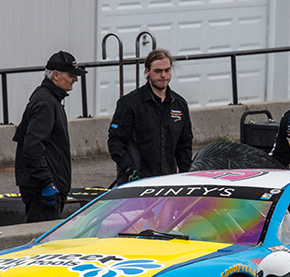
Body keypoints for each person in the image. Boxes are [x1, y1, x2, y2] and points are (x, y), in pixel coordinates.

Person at [14, 51, 87, 222]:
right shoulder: (46, 102)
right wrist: (47, 184)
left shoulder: (50, 98)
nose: (75, 79)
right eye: (71, 75)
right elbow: (32, 147)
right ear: (56, 75)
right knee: (42, 241)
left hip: (47, 186)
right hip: (42, 190)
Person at [108, 49, 193, 185]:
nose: (163, 75)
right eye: (158, 71)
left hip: (168, 182)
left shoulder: (179, 104)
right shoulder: (129, 103)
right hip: (136, 182)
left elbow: (184, 146)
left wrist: (187, 177)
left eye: (167, 70)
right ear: (147, 71)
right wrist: (130, 170)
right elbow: (115, 141)